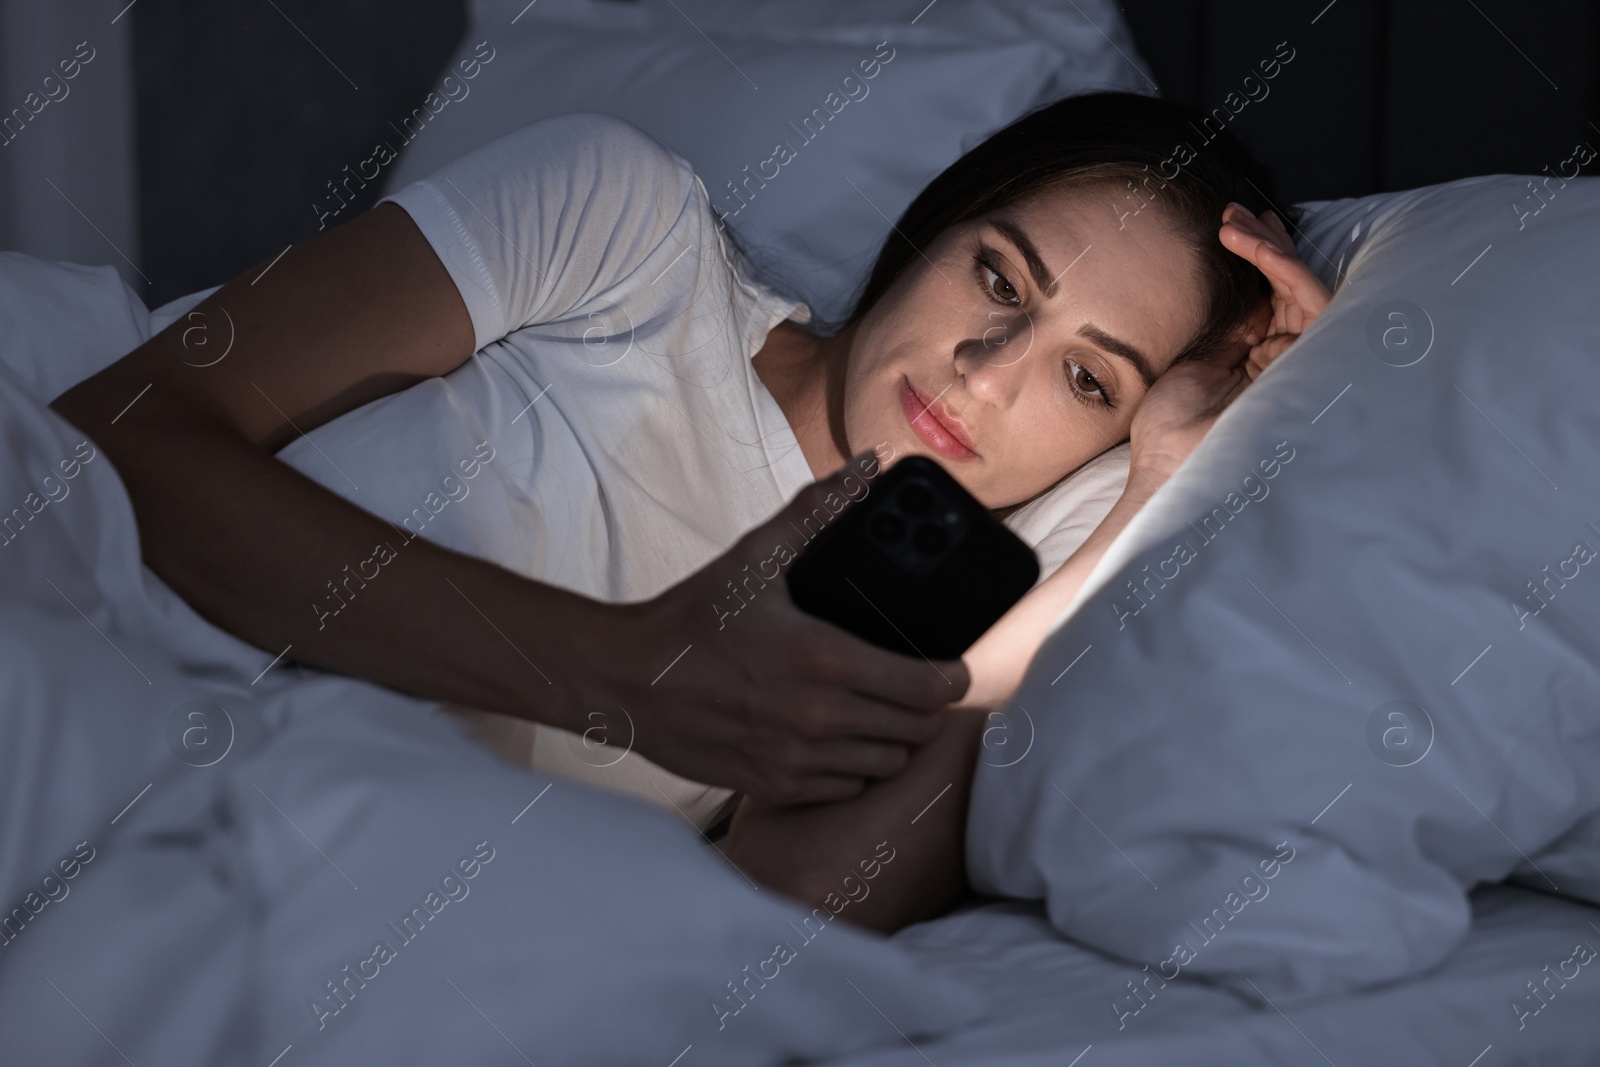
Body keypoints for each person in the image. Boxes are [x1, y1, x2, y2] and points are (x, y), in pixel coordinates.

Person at [48, 90, 1326, 868]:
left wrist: (1169, 484)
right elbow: (120, 431)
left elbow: (760, 943)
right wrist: (618, 674)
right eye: (998, 277)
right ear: (938, 221)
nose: (987, 374)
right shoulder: (626, 230)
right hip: (67, 659)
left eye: (1088, 380)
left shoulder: (967, 626)